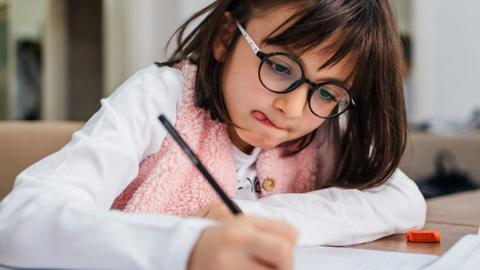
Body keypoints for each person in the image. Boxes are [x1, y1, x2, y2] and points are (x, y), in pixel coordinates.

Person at [0, 1, 426, 269]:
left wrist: (261, 219)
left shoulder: (321, 127)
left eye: (329, 91)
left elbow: (403, 200)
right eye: (279, 66)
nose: (293, 108)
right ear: (226, 37)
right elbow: (20, 220)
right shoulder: (162, 98)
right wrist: (190, 247)